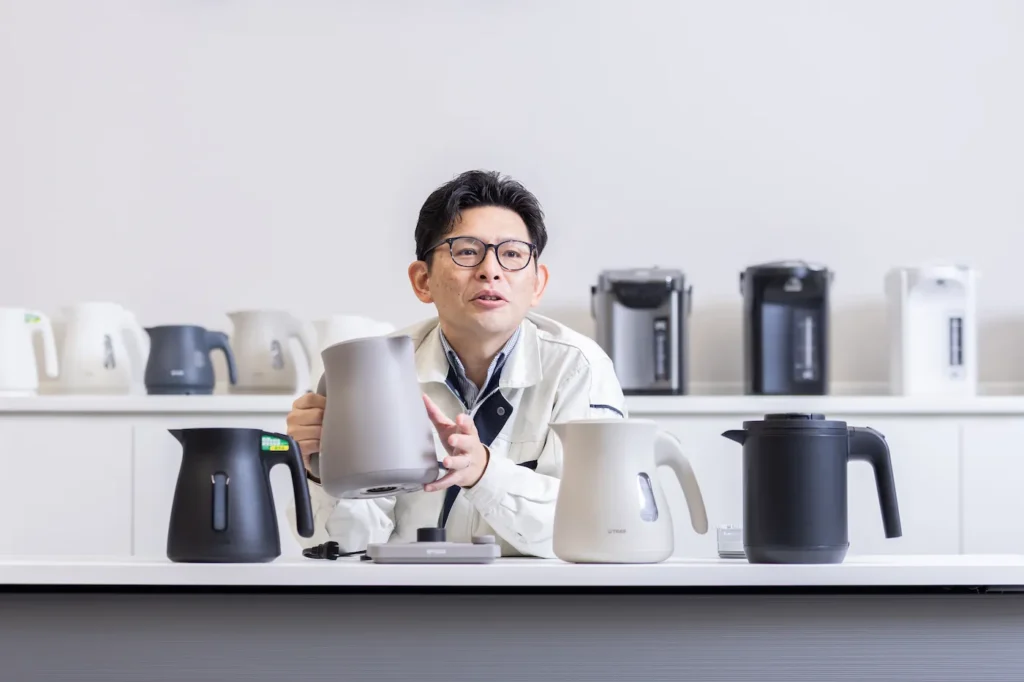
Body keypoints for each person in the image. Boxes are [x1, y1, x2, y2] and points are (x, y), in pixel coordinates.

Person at [286, 169, 627, 558]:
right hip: (408, 591)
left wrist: (485, 473)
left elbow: (595, 525)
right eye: (466, 251)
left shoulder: (579, 368)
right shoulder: (379, 370)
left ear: (537, 284)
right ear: (423, 281)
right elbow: (346, 543)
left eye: (512, 254)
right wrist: (319, 470)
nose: (490, 270)